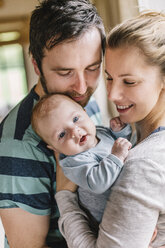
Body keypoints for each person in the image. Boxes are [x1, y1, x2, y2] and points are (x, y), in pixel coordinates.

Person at [0, 0, 106, 247]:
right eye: (65, 72)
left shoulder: (84, 102)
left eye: (92, 67)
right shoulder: (16, 145)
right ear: (37, 65)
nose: (81, 87)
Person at [55, 11, 165, 248]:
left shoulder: (144, 163)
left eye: (129, 81)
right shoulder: (132, 137)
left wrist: (64, 196)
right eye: (109, 78)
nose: (113, 95)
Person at [31, 93, 132, 224]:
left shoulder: (100, 132)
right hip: (110, 220)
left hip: (128, 199)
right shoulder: (74, 162)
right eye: (62, 134)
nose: (74, 131)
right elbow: (98, 183)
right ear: (54, 148)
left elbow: (128, 147)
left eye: (75, 119)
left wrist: (120, 132)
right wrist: (116, 155)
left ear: (85, 113)